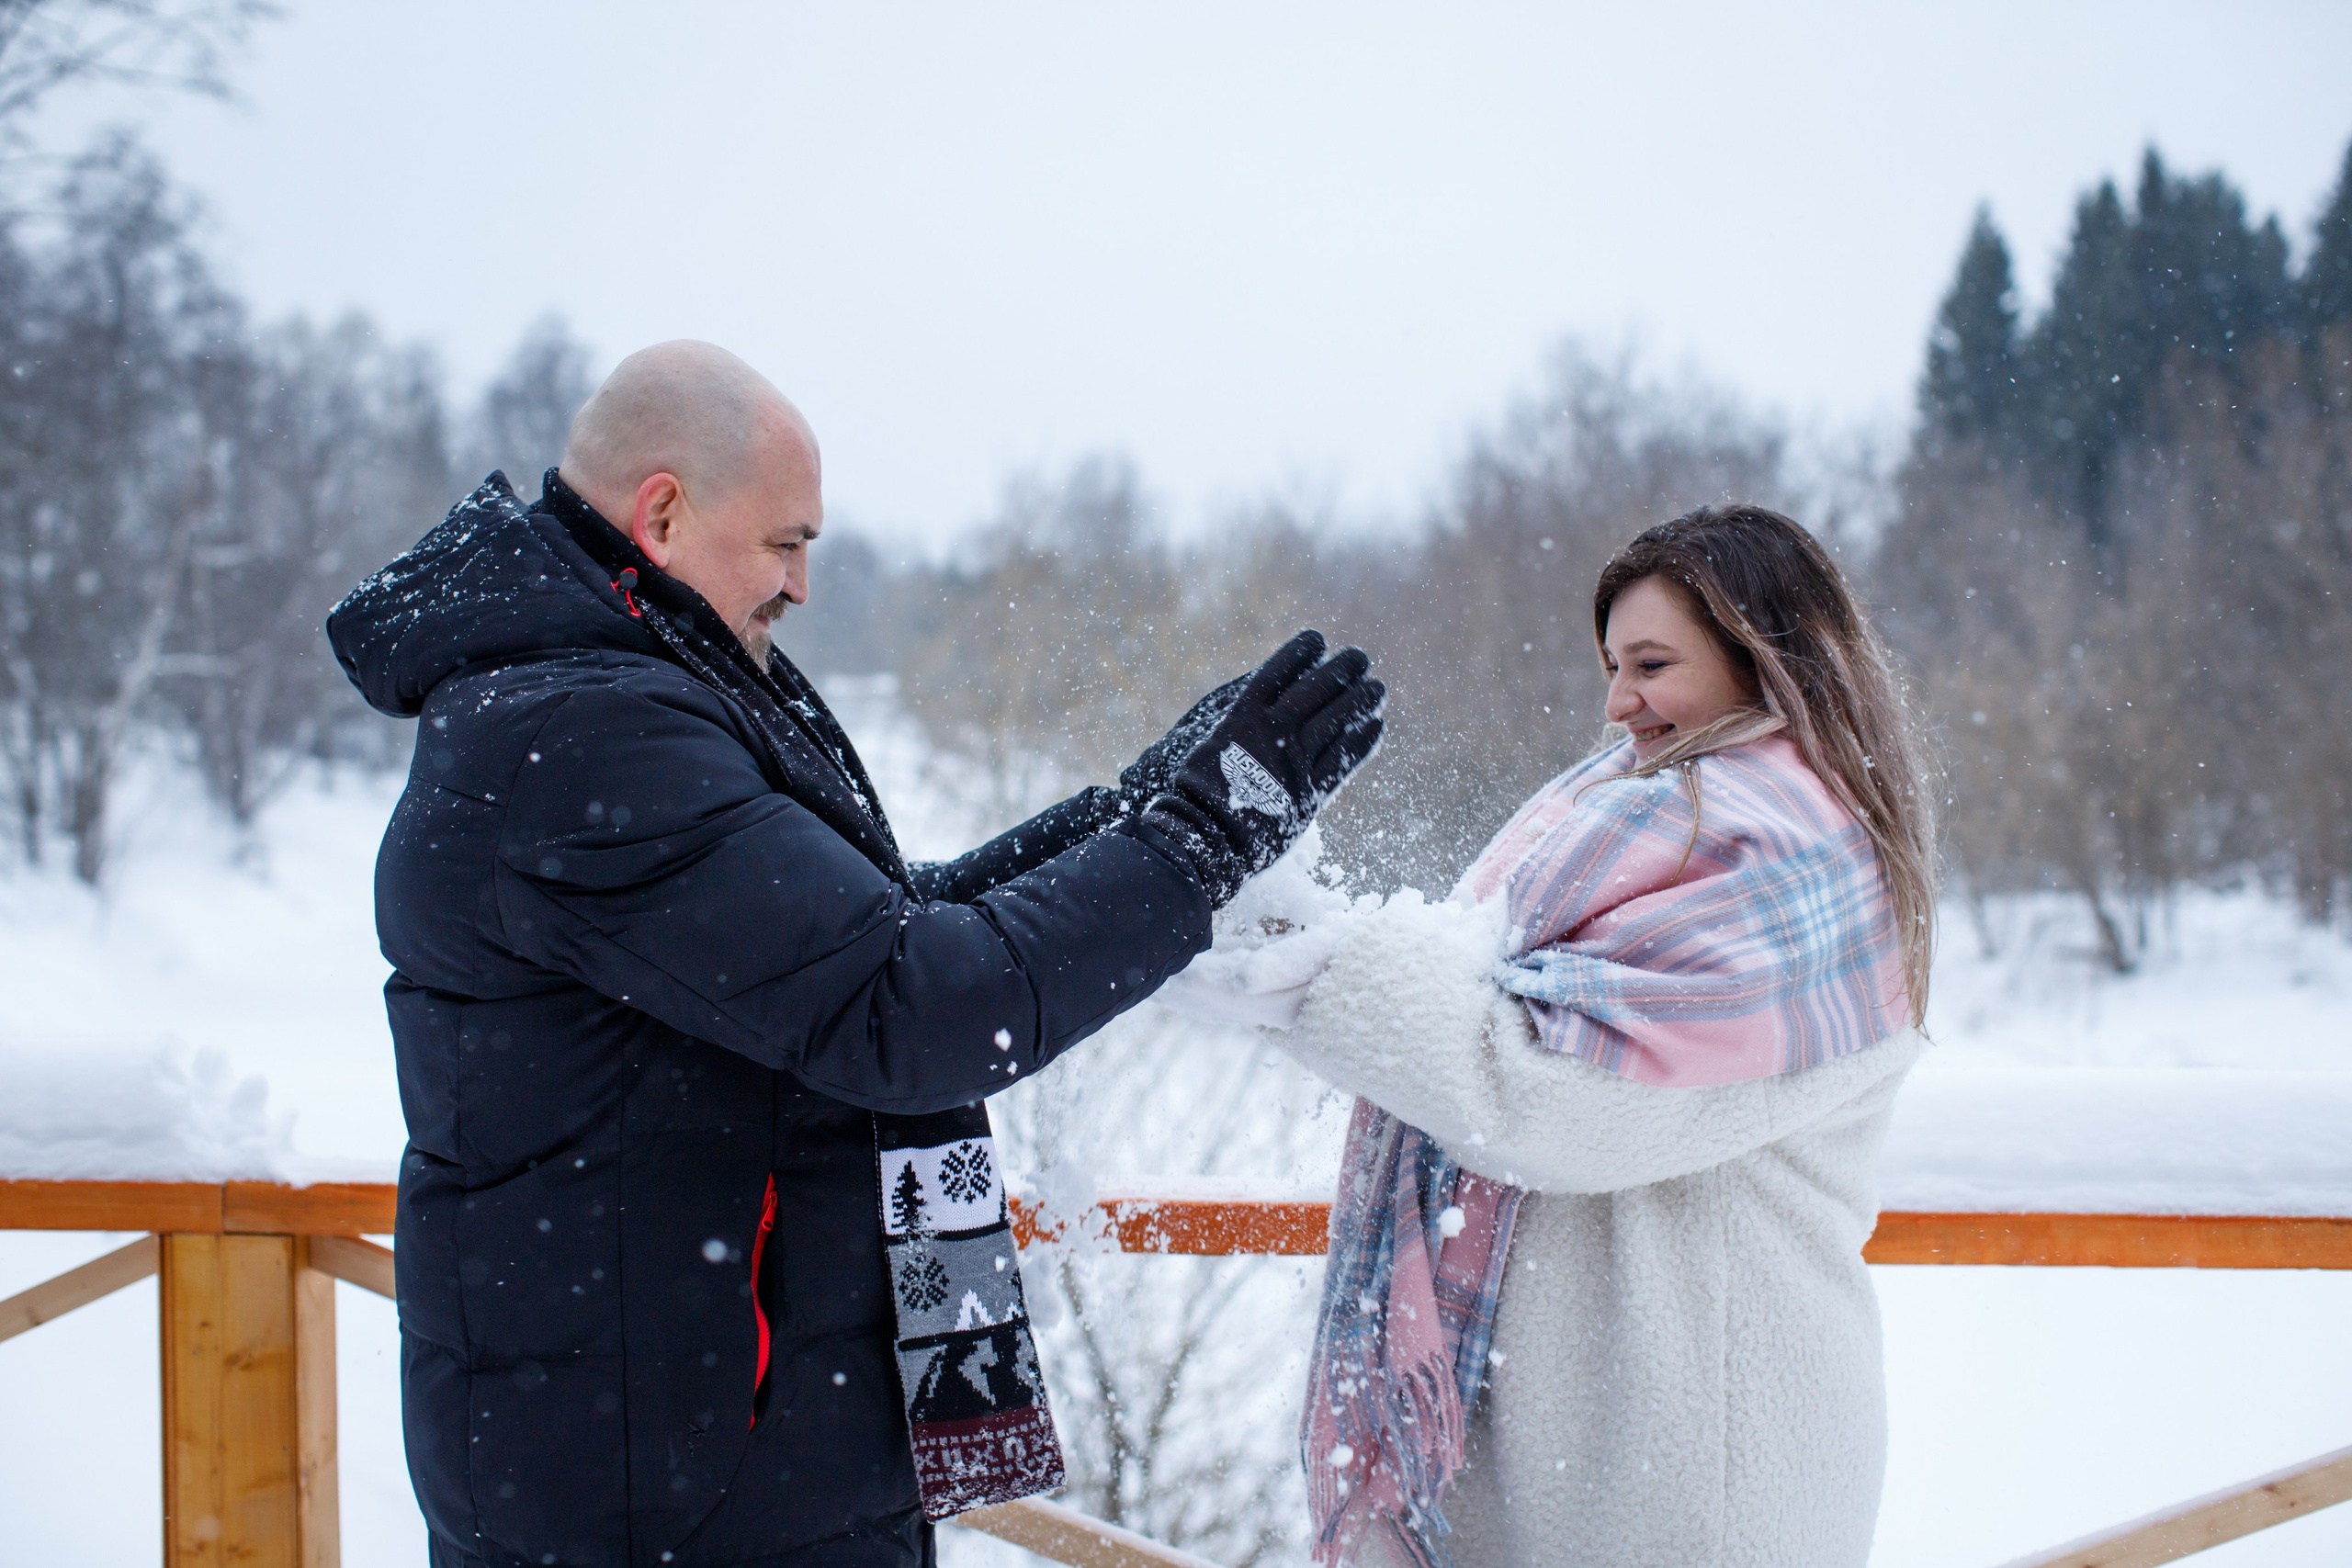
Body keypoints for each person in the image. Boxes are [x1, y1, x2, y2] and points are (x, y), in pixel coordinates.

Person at [323, 340, 1384, 1568]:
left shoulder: (611, 692)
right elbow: (907, 1006)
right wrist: (1197, 840)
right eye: (784, 543)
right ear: (661, 514)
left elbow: (868, 934)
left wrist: (1132, 815)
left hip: (689, 1454)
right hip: (676, 1494)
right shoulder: (583, 730)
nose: (801, 584)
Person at [1277, 504, 1937, 1568]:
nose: (1617, 701)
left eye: (1652, 665)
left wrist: (1302, 962)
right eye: (1612, 665)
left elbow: (1546, 1102)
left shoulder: (1782, 868)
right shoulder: (1649, 818)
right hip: (1603, 1440)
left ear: (1763, 660)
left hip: (1703, 1467)